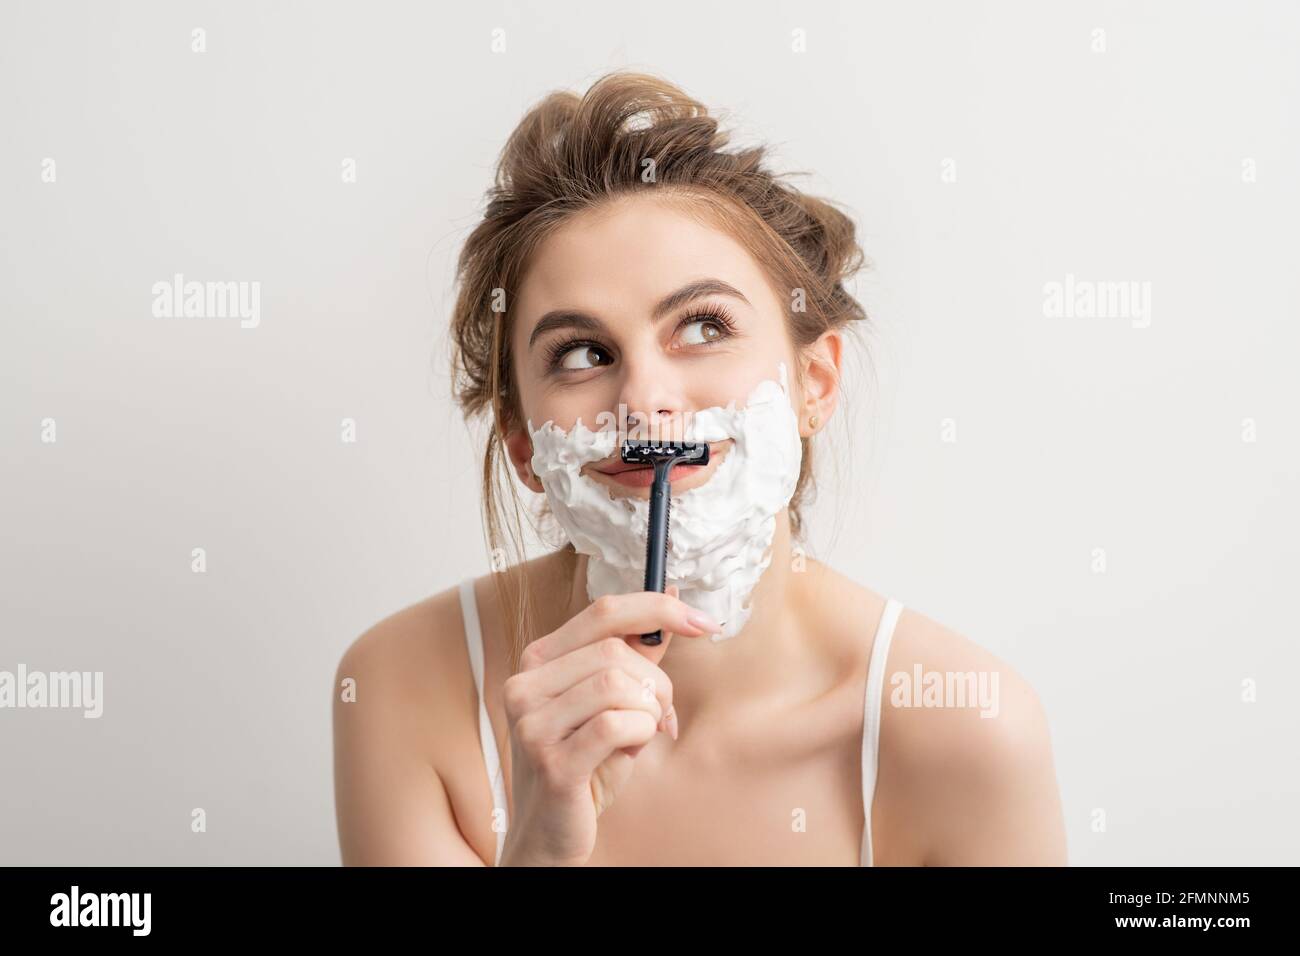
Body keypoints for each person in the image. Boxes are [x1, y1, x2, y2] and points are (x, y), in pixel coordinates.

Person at [333, 70, 1067, 866]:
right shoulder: (401, 690)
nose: (645, 403)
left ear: (812, 384)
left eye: (703, 326)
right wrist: (538, 848)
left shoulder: (964, 729)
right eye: (582, 353)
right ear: (524, 444)